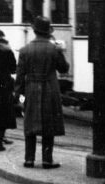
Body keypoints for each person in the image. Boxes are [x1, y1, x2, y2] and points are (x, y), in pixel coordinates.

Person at [15, 16, 70, 169]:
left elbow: (19, 77)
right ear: (47, 32)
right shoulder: (54, 49)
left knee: (30, 124)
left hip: (31, 89)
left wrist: (18, 97)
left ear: (34, 31)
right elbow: (64, 68)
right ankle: (47, 160)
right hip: (50, 90)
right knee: (49, 125)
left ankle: (29, 160)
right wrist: (61, 51)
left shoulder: (25, 50)